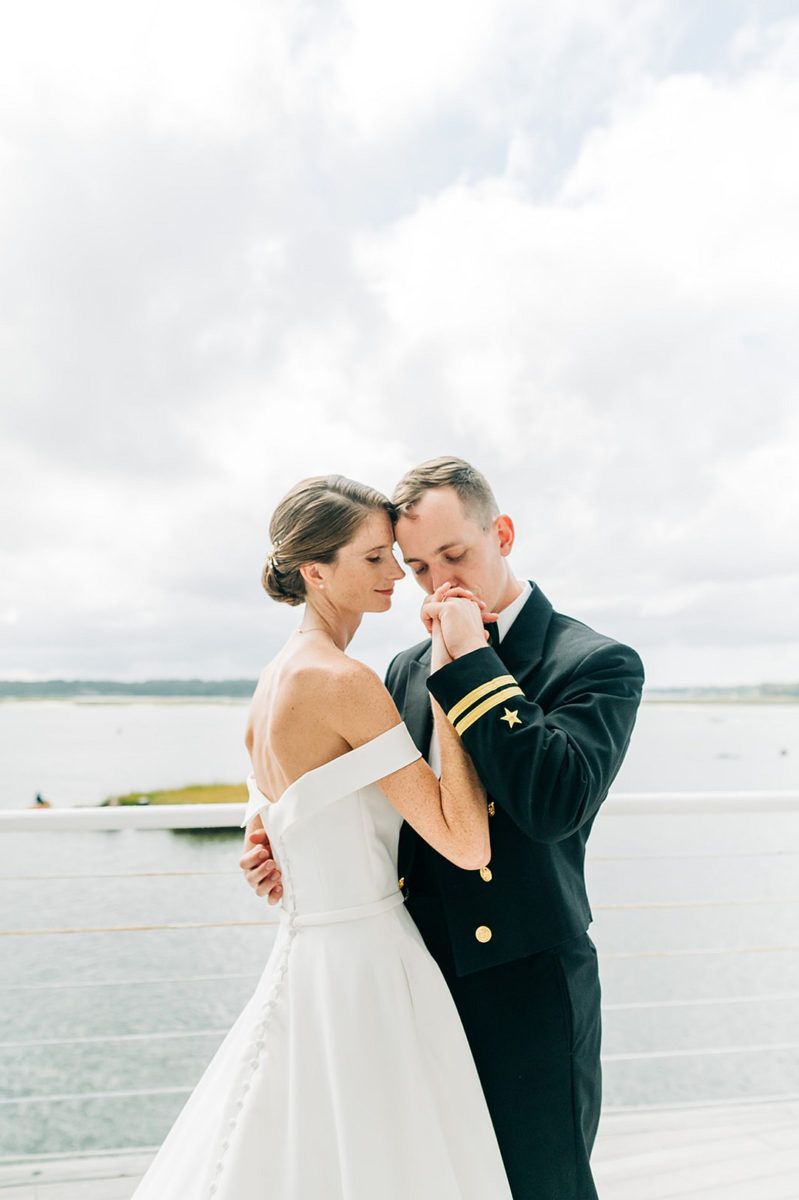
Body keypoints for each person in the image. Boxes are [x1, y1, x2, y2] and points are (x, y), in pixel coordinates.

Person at [244, 457, 645, 1199]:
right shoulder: (398, 669)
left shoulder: (593, 663)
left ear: (502, 532)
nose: (433, 584)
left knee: (540, 1183)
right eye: (415, 565)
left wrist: (473, 660)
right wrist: (281, 836)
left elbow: (552, 802)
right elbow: (373, 795)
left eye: (453, 556)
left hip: (523, 983)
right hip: (409, 976)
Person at [132, 474, 512, 1200]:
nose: (396, 575)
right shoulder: (342, 679)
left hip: (308, 955)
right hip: (368, 965)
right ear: (315, 571)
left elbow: (275, 813)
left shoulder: (274, 679)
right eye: (373, 560)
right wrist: (456, 679)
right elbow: (466, 844)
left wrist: (263, 848)